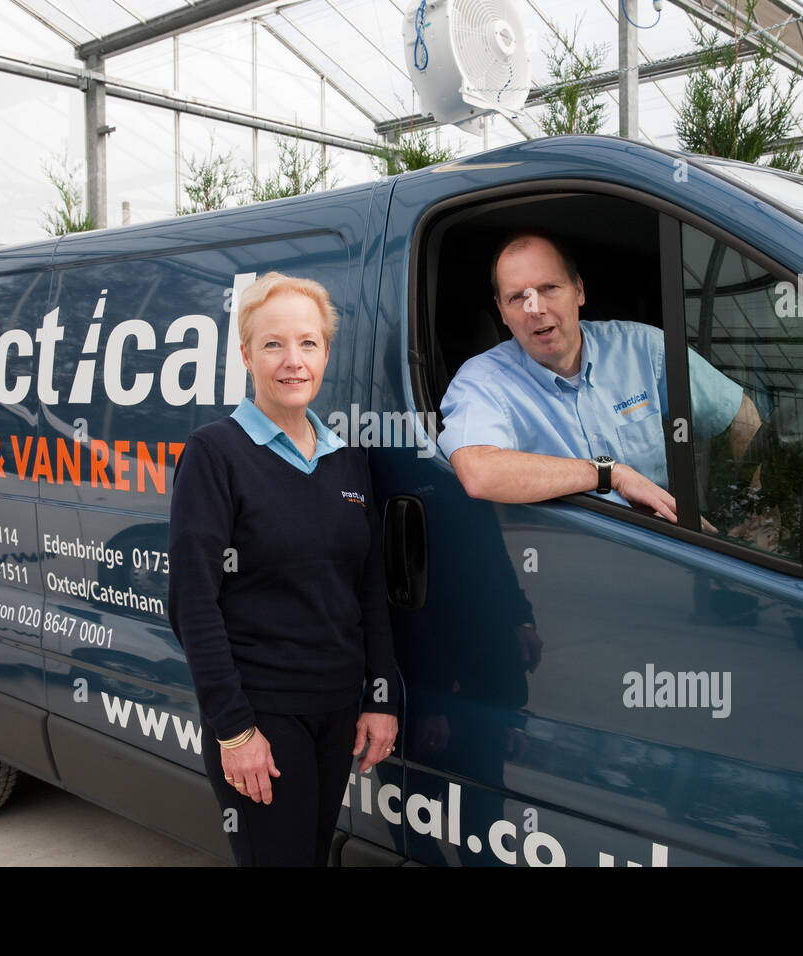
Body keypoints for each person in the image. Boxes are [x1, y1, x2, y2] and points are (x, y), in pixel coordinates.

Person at [167, 272, 399, 867]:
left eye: (308, 343)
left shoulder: (347, 459)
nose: (293, 361)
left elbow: (369, 589)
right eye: (273, 345)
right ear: (246, 355)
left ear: (325, 353)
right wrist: (235, 730)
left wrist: (381, 695)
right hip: (263, 715)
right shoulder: (215, 454)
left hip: (337, 707)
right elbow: (192, 602)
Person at [438, 231, 761, 516]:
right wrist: (609, 473)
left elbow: (739, 413)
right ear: (502, 313)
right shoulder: (482, 381)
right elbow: (480, 473)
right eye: (517, 297)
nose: (534, 309)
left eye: (548, 288)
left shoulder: (644, 349)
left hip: (665, 546)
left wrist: (757, 505)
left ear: (578, 290)